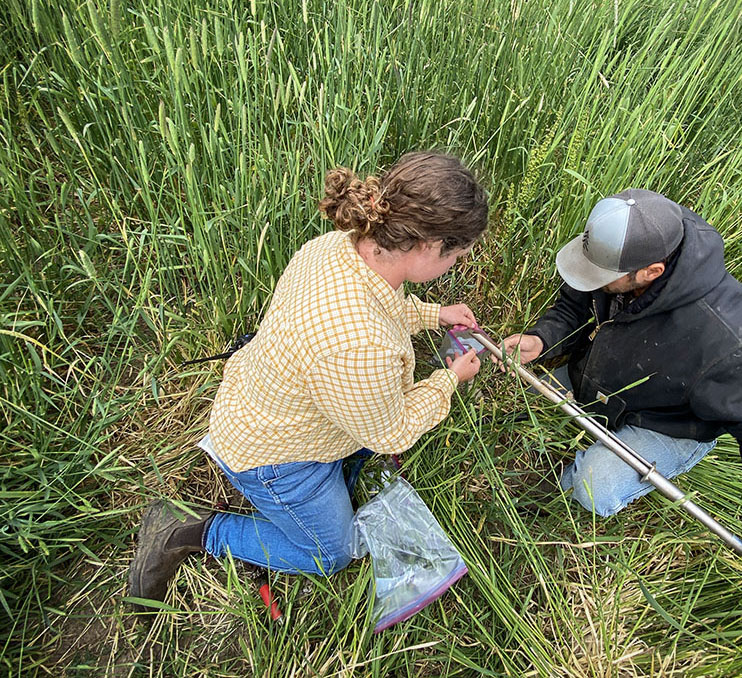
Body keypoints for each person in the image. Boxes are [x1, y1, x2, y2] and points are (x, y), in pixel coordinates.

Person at [129, 151, 488, 610]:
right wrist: (448, 380)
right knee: (328, 554)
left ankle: (329, 477)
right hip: (276, 458)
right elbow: (391, 430)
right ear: (427, 244)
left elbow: (381, 308)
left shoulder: (339, 247)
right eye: (455, 255)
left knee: (360, 452)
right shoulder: (361, 346)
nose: (454, 265)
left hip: (266, 401)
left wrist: (433, 314)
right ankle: (188, 530)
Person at [500, 189, 742, 616]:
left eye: (601, 275)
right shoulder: (633, 243)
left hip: (670, 422)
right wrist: (542, 339)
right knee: (528, 400)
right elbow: (576, 298)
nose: (591, 279)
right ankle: (584, 411)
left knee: (593, 486)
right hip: (608, 377)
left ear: (652, 271)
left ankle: (584, 474)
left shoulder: (735, 340)